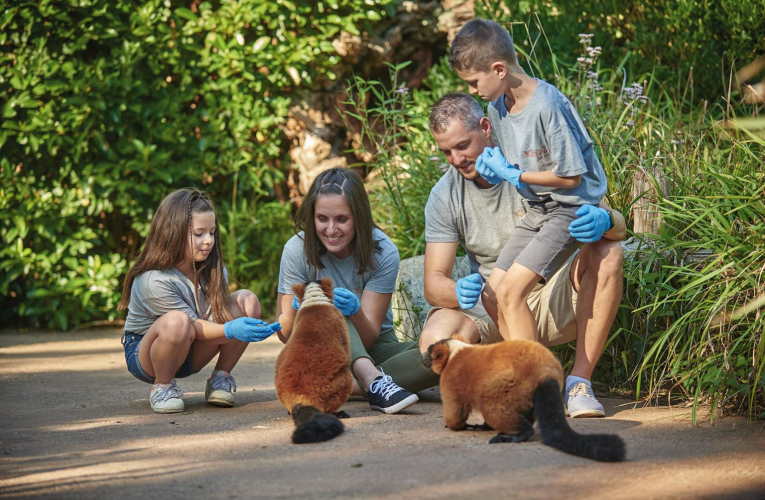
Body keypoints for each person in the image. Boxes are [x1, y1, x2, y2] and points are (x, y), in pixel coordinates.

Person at [420, 92, 626, 418]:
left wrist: (606, 220)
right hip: (492, 308)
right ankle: (511, 385)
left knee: (608, 253)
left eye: (462, 146)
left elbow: (617, 227)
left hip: (552, 298)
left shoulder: (528, 165)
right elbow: (433, 283)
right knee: (435, 339)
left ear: (486, 127)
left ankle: (579, 383)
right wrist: (456, 291)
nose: (456, 159)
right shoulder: (445, 195)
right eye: (446, 152)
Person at [451, 18, 609, 347]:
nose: (471, 91)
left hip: (570, 208)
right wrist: (497, 168)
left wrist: (515, 175)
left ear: (498, 69)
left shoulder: (547, 105)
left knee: (510, 293)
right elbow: (515, 160)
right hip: (537, 209)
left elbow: (571, 176)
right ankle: (533, 371)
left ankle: (537, 384)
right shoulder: (497, 108)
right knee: (492, 295)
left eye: (473, 81)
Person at [275, 167, 439, 414]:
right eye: (322, 219)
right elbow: (286, 334)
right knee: (326, 309)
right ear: (312, 217)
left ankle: (348, 385)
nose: (331, 230)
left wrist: (354, 312)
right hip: (318, 349)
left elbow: (371, 335)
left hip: (375, 348)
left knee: (442, 354)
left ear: (358, 217)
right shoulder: (297, 250)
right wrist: (300, 310)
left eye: (341, 219)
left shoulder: (383, 251)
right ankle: (374, 382)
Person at [118, 189, 280, 414]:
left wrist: (248, 322)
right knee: (177, 322)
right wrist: (232, 329)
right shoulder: (153, 280)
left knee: (247, 301)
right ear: (172, 233)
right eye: (199, 234)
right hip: (149, 357)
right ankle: (162, 387)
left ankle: (220, 379)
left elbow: (212, 317)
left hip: (191, 350)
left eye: (212, 232)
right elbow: (192, 325)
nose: (209, 241)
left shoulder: (212, 269)